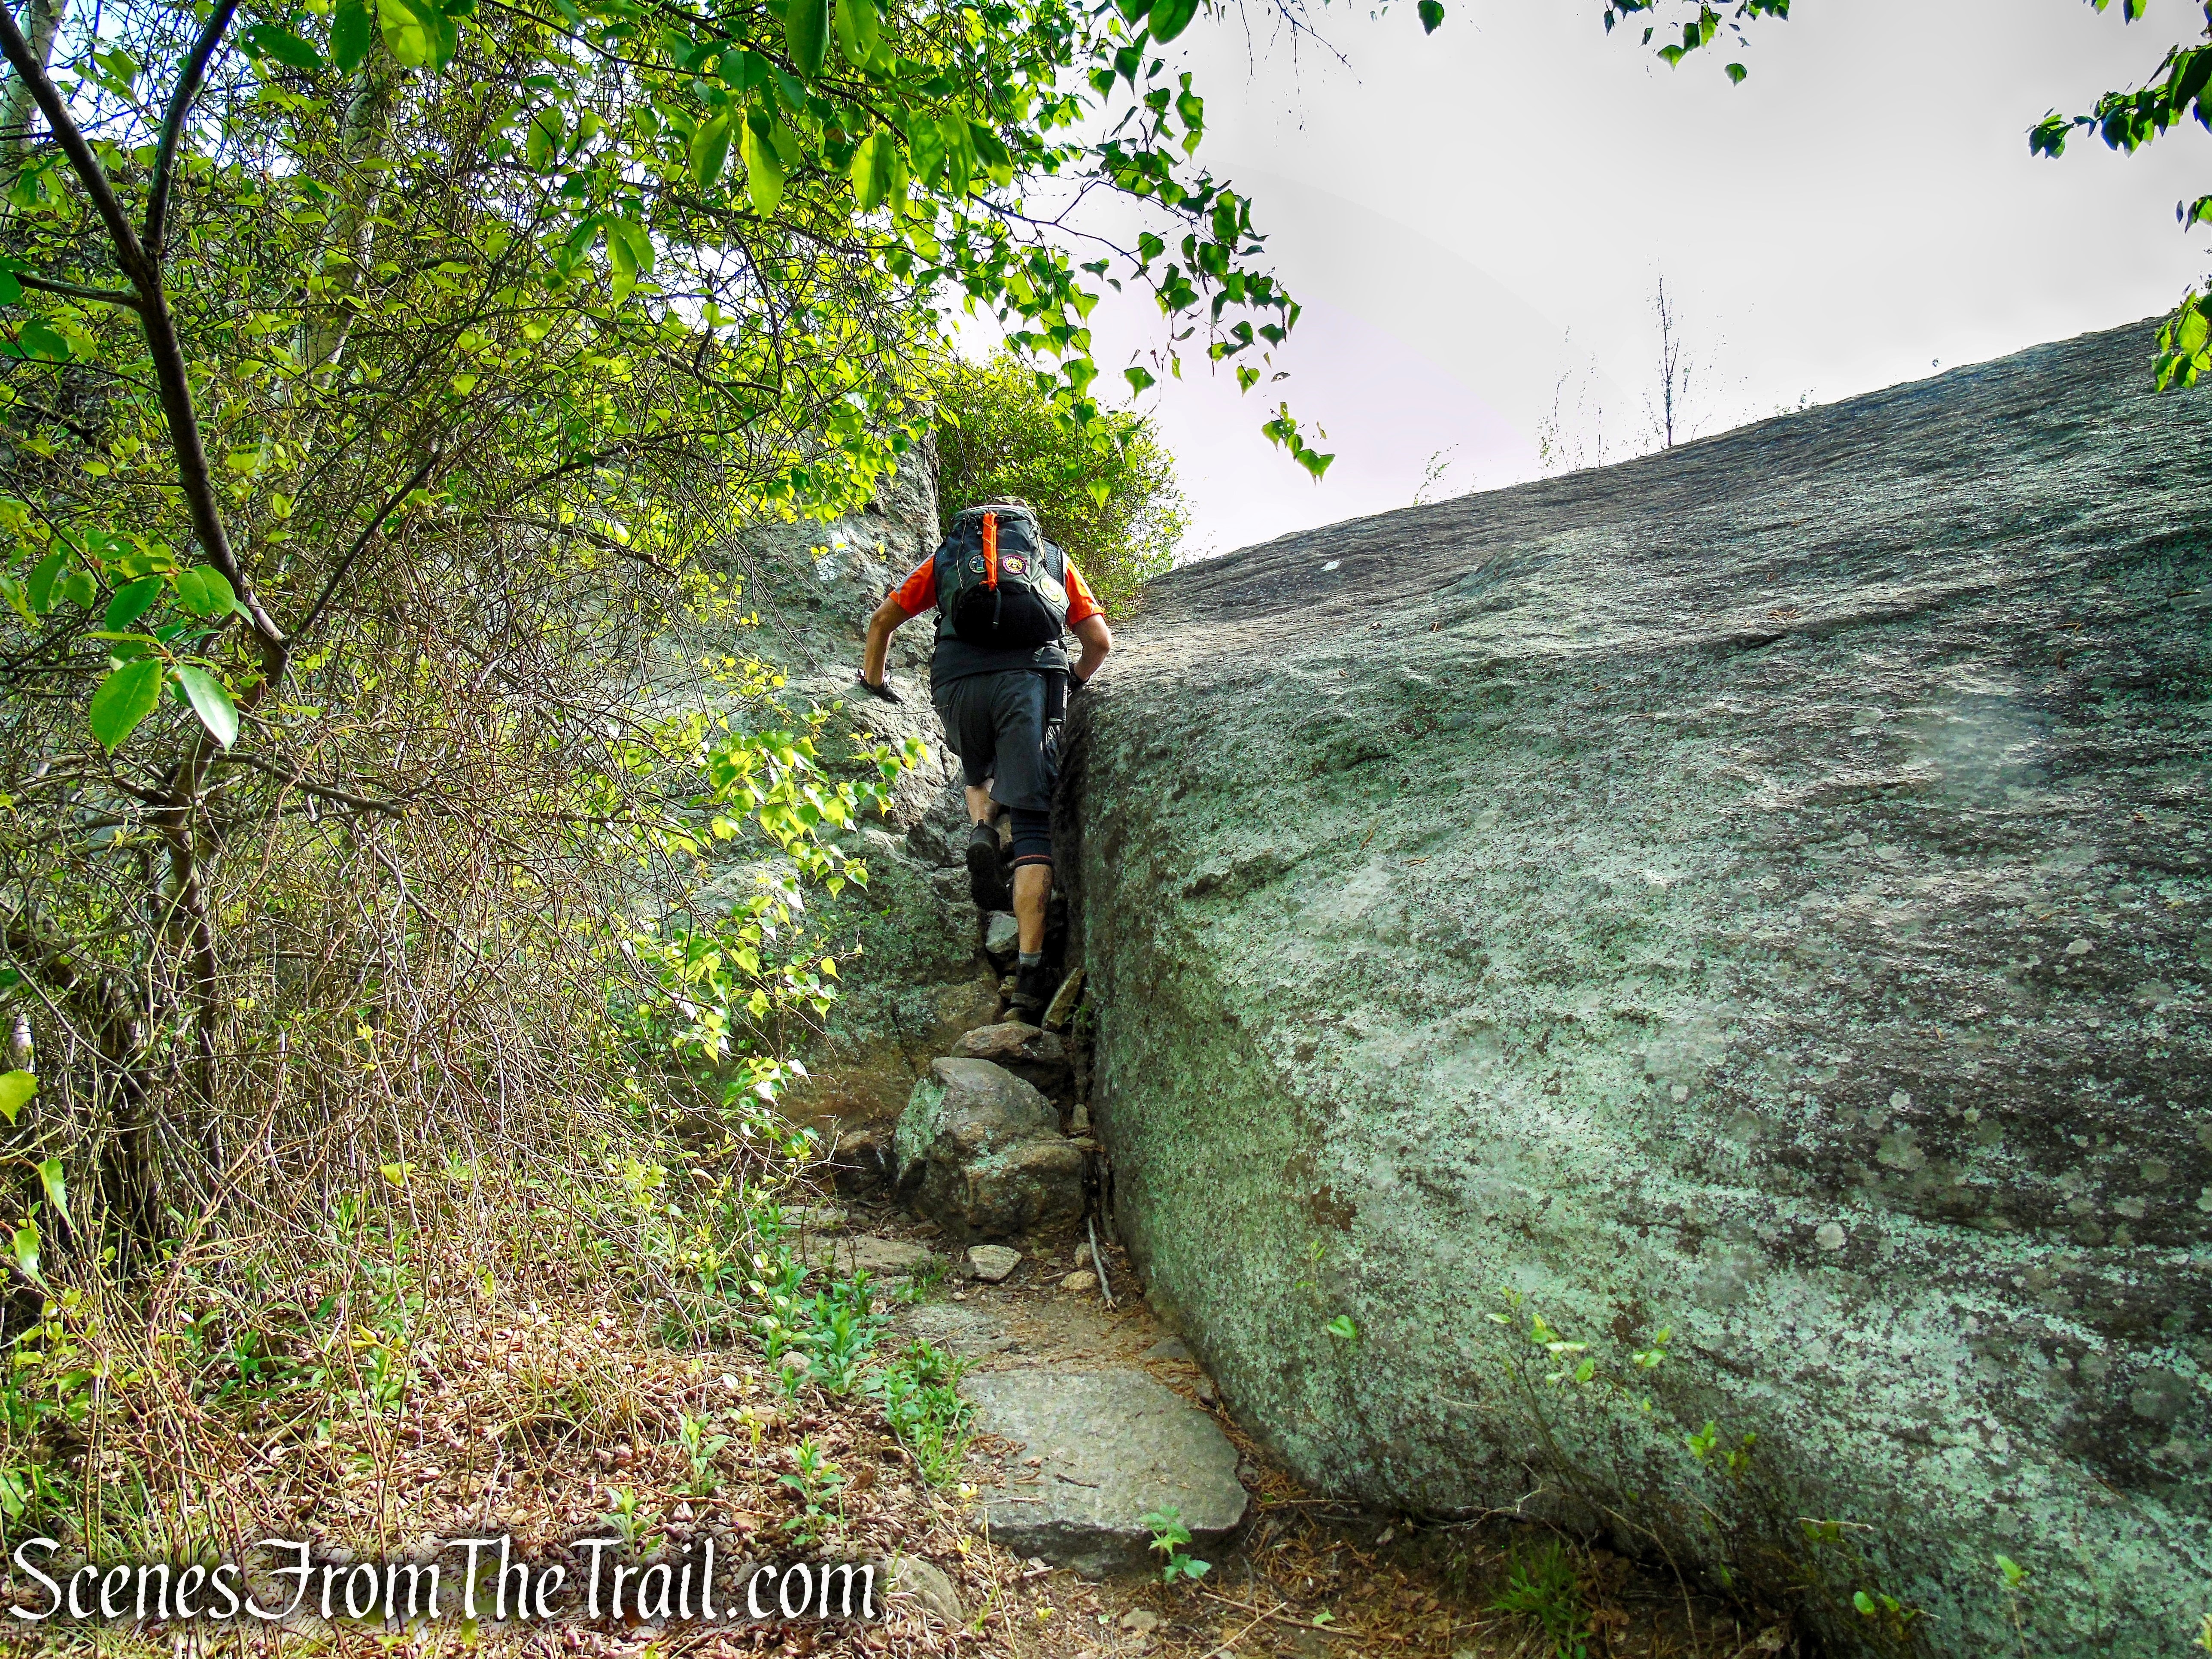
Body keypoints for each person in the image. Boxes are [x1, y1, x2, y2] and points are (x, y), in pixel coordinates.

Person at [857, 500, 1112, 1021]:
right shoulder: (1054, 561)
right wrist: (1073, 681)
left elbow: (882, 622)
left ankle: (981, 829)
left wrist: (875, 683)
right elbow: (1098, 643)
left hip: (956, 684)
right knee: (1035, 826)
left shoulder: (948, 558)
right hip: (1027, 680)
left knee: (976, 764)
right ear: (1030, 530)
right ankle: (1029, 977)